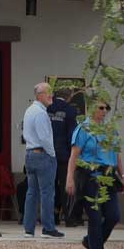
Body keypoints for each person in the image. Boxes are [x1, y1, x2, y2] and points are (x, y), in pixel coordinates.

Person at [68, 100, 124, 249]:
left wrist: (123, 176)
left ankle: (90, 242)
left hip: (108, 176)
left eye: (106, 108)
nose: (104, 111)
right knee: (94, 217)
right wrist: (70, 178)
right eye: (101, 108)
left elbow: (117, 154)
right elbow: (74, 155)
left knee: (113, 215)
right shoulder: (83, 129)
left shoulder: (110, 129)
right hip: (90, 176)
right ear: (92, 109)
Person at [20, 82, 64, 237]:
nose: (51, 95)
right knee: (47, 192)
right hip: (42, 154)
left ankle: (28, 228)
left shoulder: (29, 110)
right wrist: (52, 155)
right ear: (39, 95)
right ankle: (48, 227)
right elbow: (45, 137)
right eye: (48, 93)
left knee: (31, 193)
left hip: (30, 154)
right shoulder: (40, 113)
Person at [48, 87, 79, 225]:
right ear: (69, 97)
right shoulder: (70, 110)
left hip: (48, 152)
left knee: (50, 186)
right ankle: (69, 217)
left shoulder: (47, 108)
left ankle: (52, 216)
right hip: (63, 154)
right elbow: (72, 135)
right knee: (66, 186)